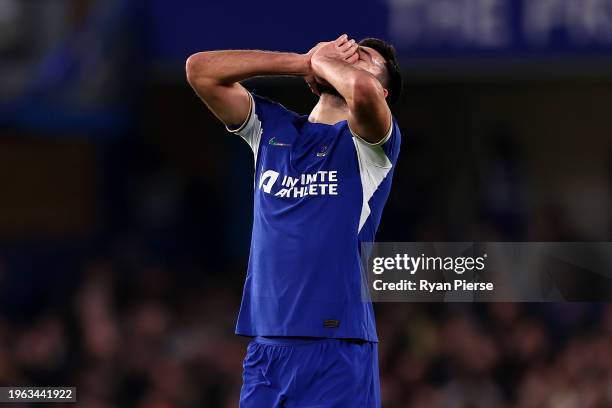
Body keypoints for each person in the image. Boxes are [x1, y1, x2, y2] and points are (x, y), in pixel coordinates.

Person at [186, 34, 402, 407]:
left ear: (384, 94)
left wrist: (327, 63)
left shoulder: (371, 146)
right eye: (346, 50)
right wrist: (302, 62)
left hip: (336, 347)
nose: (348, 55)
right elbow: (200, 71)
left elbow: (363, 91)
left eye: (362, 57)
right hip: (266, 348)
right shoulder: (271, 128)